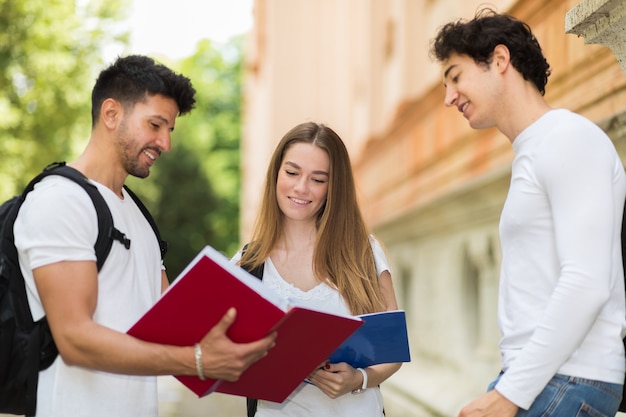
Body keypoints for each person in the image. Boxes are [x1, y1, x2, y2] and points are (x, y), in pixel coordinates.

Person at [13, 55, 275, 417]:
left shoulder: (138, 216)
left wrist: (263, 336)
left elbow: (172, 323)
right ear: (111, 114)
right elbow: (74, 339)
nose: (165, 143)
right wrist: (197, 361)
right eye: (155, 125)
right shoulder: (61, 201)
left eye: (169, 129)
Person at [430, 7, 626, 417]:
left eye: (455, 76)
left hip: (569, 380)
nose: (448, 98)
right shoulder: (537, 149)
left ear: (500, 61)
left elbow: (587, 282)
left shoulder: (567, 139)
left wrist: (509, 394)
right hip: (544, 379)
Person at [233, 121, 402, 416]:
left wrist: (358, 380)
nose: (301, 188)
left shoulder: (363, 252)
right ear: (276, 174)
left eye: (317, 179)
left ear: (333, 187)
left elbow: (393, 351)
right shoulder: (248, 264)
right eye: (292, 172)